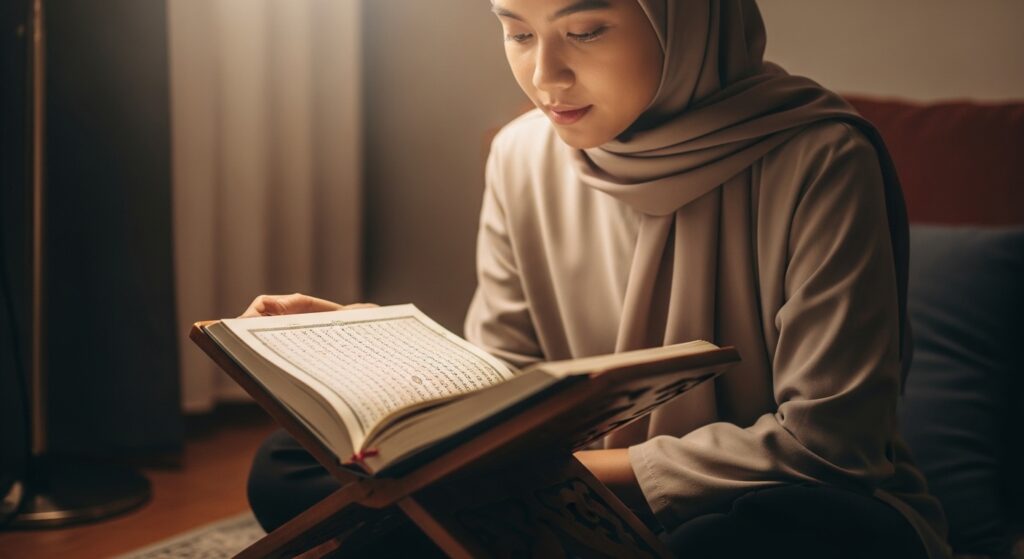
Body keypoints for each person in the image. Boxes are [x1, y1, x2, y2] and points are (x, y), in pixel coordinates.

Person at [241, 1, 951, 557]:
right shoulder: (522, 156)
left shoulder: (823, 158)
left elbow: (829, 446)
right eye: (518, 33)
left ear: (686, 18)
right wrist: (381, 359)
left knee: (756, 535)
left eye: (585, 30)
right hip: (558, 491)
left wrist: (559, 474)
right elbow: (505, 385)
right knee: (288, 465)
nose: (546, 75)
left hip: (766, 499)